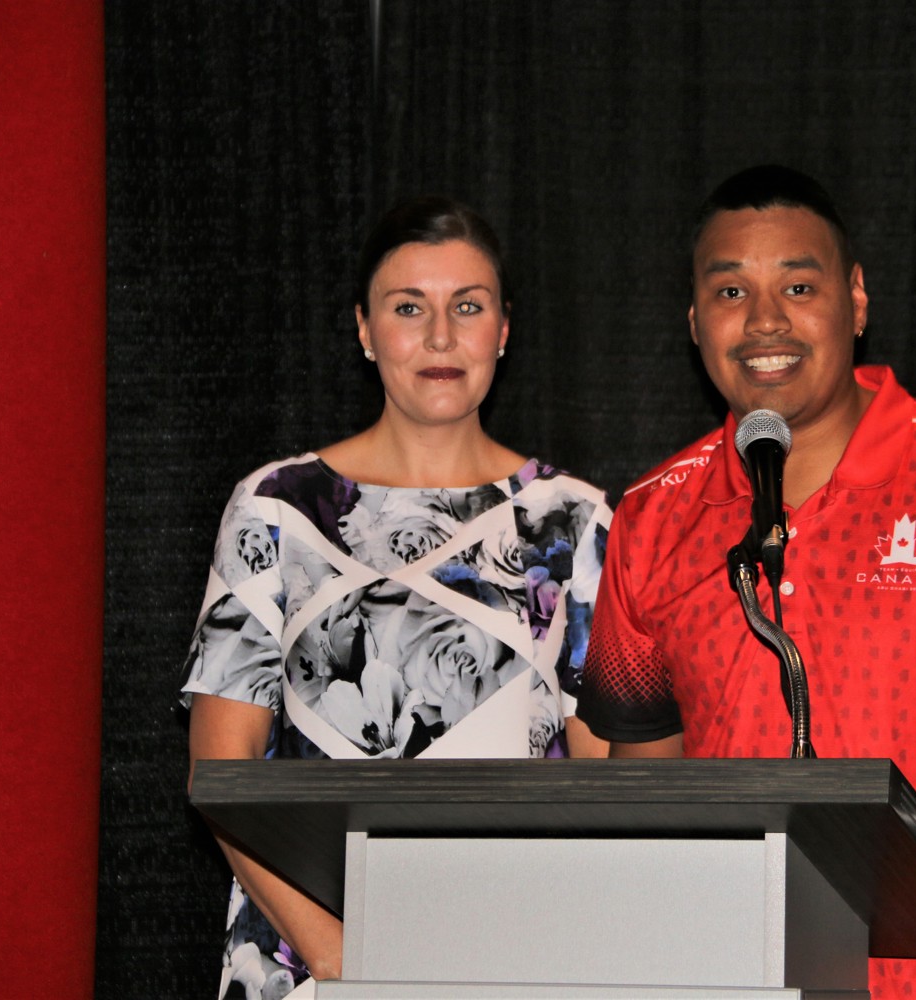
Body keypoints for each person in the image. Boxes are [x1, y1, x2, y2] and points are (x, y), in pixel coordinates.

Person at [576, 165, 916, 1000]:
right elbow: (644, 774)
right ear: (693, 321)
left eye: (798, 284)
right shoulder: (652, 515)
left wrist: (852, 885)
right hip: (729, 971)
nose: (765, 321)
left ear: (856, 300)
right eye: (729, 292)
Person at [182, 196, 611, 999]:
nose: (440, 337)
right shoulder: (277, 508)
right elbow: (219, 770)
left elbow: (603, 782)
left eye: (468, 307)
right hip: (306, 964)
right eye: (409, 307)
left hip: (520, 959)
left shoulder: (576, 519)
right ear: (364, 329)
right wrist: (342, 959)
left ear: (503, 331)